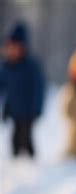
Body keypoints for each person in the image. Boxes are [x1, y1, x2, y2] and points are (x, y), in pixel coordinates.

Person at [0, 21, 45, 158]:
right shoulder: (6, 67)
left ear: (22, 47)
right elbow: (4, 87)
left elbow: (39, 88)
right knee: (15, 138)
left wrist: (37, 107)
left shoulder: (31, 66)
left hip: (28, 111)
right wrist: (6, 109)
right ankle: (17, 162)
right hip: (14, 110)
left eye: (15, 46)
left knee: (25, 137)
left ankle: (31, 160)